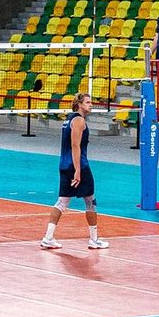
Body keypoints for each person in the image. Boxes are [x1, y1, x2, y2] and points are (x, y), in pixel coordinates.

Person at [41, 93, 107, 250]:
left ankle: (48, 238)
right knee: (90, 201)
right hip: (79, 166)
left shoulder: (68, 120)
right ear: (79, 104)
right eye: (88, 102)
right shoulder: (79, 121)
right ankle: (94, 240)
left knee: (62, 201)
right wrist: (78, 170)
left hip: (64, 165)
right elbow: (75, 145)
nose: (91, 104)